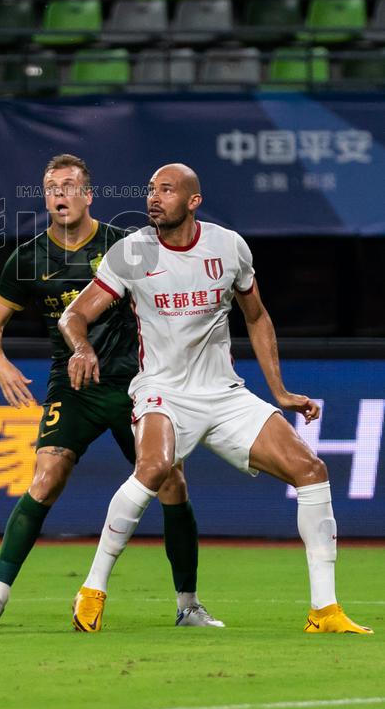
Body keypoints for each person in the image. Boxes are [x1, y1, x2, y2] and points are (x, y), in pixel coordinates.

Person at [59, 162, 373, 635]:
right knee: (153, 469)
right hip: (161, 390)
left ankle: (324, 611)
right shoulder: (132, 252)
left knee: (311, 470)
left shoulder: (228, 247)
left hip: (224, 394)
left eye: (166, 190)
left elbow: (258, 315)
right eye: (150, 190)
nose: (154, 198)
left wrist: (280, 391)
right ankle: (92, 590)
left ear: (193, 201)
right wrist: (81, 347)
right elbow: (74, 316)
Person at [0, 154, 222, 629]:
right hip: (73, 386)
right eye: (51, 187)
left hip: (135, 385)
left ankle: (188, 604)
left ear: (88, 195)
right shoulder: (28, 258)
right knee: (46, 479)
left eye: (68, 186)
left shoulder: (125, 247)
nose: (59, 194)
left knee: (172, 483)